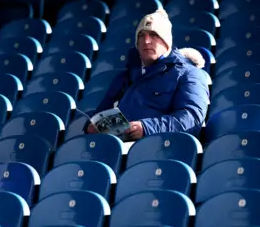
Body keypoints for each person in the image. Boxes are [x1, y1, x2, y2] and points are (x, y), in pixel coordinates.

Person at [84, 8, 210, 140]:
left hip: (159, 149)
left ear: (166, 42)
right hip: (115, 147)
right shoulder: (124, 78)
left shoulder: (190, 73)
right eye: (141, 35)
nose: (146, 41)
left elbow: (191, 118)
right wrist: (94, 126)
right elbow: (98, 115)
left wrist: (146, 128)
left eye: (154, 35)